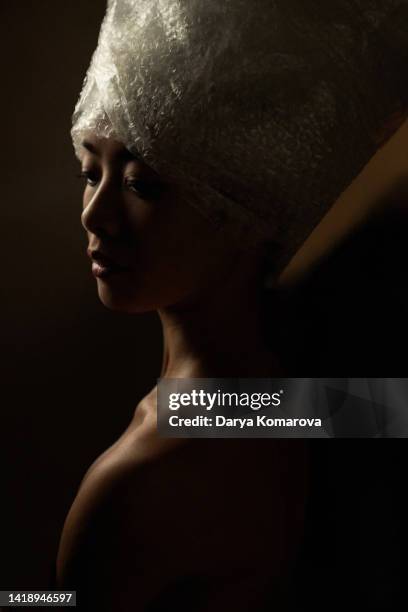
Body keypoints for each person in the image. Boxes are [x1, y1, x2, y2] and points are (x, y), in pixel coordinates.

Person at [56, 1, 408, 610]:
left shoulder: (138, 483)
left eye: (142, 184)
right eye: (91, 172)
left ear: (244, 208)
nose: (95, 215)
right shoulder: (305, 403)